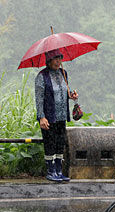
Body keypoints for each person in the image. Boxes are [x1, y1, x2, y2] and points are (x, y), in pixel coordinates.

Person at [35, 48, 78, 182]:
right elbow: (39, 98)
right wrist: (41, 116)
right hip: (48, 117)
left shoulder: (63, 73)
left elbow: (63, 92)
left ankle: (59, 171)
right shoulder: (42, 76)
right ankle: (51, 171)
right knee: (50, 143)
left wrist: (71, 96)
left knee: (60, 143)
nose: (58, 61)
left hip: (61, 116)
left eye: (60, 58)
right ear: (49, 61)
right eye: (55, 59)